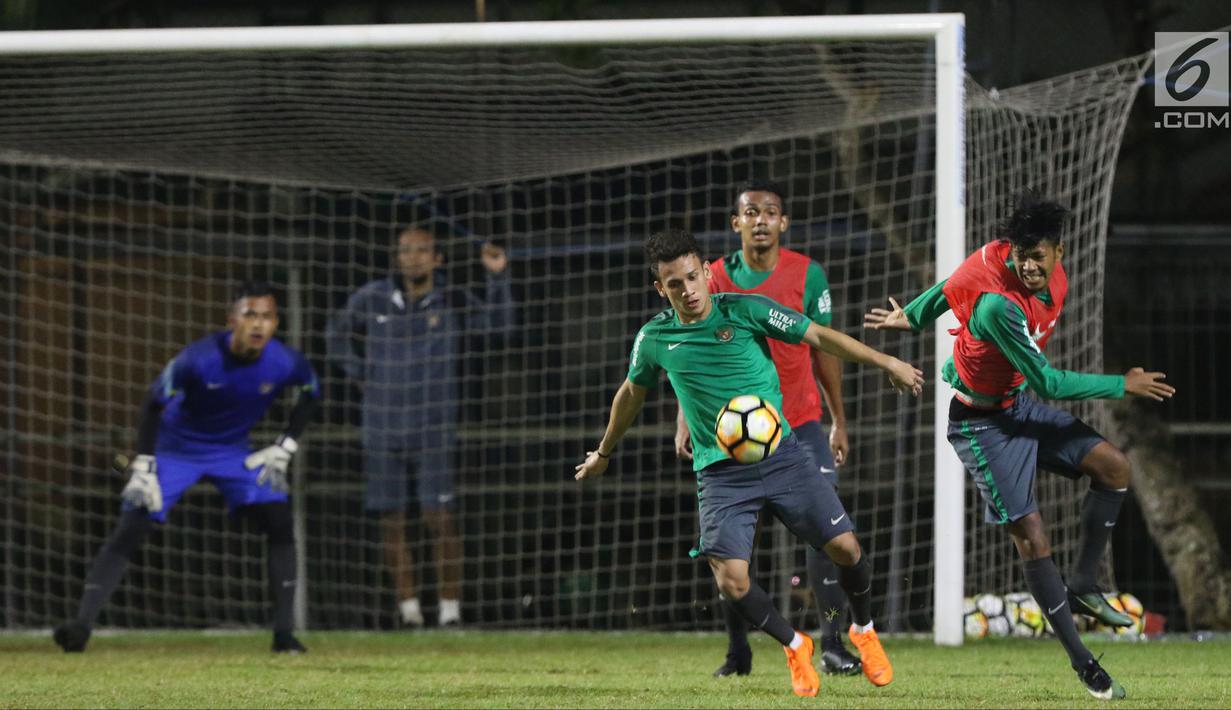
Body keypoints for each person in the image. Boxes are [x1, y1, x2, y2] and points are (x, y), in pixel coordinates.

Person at [575, 229, 923, 698]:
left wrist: (887, 362)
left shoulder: (745, 310)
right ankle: (794, 644)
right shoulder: (654, 338)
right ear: (661, 288)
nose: (689, 290)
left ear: (705, 271)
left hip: (783, 457)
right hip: (721, 474)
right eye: (675, 284)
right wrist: (603, 453)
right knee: (731, 580)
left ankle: (862, 629)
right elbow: (630, 395)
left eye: (693, 277)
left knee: (846, 549)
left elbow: (818, 334)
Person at [863, 191, 1175, 701]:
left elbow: (949, 285)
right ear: (1010, 251)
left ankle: (1085, 584)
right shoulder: (996, 306)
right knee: (1032, 537)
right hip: (982, 425)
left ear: (1059, 252)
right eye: (1022, 255)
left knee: (1115, 467)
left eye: (1039, 255)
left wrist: (916, 314)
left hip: (1014, 406)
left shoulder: (1055, 279)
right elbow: (1049, 383)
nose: (1030, 266)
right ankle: (1085, 664)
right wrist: (1123, 384)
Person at [54, 281, 320, 654]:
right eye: (250, 315)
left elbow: (312, 394)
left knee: (279, 520)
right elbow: (151, 404)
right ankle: (80, 627)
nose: (258, 324)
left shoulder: (286, 361)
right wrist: (145, 464)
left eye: (267, 316)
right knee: (133, 524)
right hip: (175, 450)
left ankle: (284, 635)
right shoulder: (197, 359)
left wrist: (286, 444)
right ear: (232, 320)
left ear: (276, 322)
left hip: (232, 452)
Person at [674, 181, 862, 678]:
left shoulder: (808, 274)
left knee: (828, 540)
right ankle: (739, 652)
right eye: (750, 212)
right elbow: (689, 348)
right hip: (729, 435)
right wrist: (683, 418)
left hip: (800, 424)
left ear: (784, 223)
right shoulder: (711, 276)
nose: (761, 220)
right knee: (730, 551)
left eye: (771, 212)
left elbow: (823, 348)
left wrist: (839, 418)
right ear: (735, 223)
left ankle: (833, 641)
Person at [326, 226, 513, 628]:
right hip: (381, 426)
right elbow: (335, 335)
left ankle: (449, 613)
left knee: (439, 517)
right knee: (391, 520)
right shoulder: (372, 296)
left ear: (437, 258)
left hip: (433, 427)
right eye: (405, 250)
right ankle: (409, 613)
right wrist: (361, 373)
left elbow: (499, 328)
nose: (411, 257)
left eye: (421, 250)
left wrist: (497, 276)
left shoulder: (452, 299)